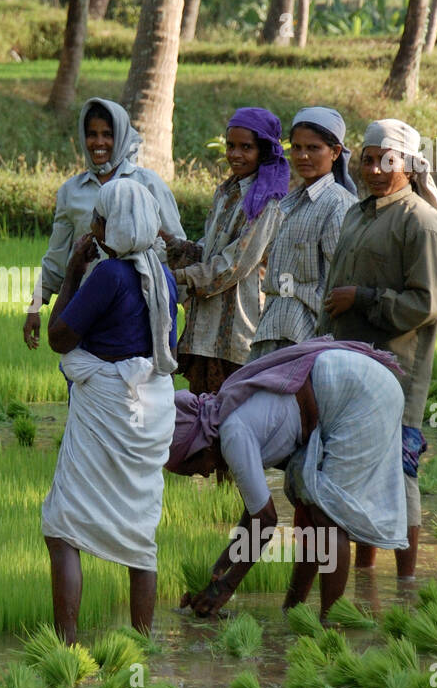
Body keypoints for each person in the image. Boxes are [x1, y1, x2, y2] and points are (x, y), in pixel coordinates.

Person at [165, 338, 408, 621]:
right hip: (346, 386)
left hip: (363, 394)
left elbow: (266, 522)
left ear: (202, 446)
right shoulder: (224, 419)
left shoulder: (232, 434)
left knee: (327, 514)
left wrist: (227, 587)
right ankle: (293, 609)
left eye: (196, 467)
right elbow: (253, 516)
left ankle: (330, 624)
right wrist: (218, 571)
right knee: (309, 507)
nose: (205, 474)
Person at [41, 179, 179, 644]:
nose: (94, 227)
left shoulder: (108, 275)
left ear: (114, 224)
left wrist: (73, 273)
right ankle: (142, 643)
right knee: (140, 537)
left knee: (62, 526)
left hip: (106, 408)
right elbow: (165, 350)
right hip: (149, 410)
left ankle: (68, 644)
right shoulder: (164, 277)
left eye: (99, 219)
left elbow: (59, 338)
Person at [316, 118, 437, 580]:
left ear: (409, 166)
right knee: (357, 464)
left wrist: (366, 299)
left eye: (385, 161)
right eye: (367, 159)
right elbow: (335, 289)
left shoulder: (421, 222)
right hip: (347, 360)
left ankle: (407, 580)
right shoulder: (358, 213)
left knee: (398, 469)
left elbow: (425, 303)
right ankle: (365, 574)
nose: (373, 169)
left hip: (396, 368)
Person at [23, 98, 184, 351]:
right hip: (85, 309)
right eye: (92, 135)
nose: (99, 143)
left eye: (107, 134)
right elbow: (56, 256)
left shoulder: (148, 184)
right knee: (85, 379)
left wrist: (185, 307)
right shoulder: (71, 191)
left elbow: (176, 248)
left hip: (138, 310)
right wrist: (34, 306)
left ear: (120, 136)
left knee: (141, 378)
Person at [169, 107, 287, 395]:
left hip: (237, 334)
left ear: (264, 151)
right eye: (231, 146)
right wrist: (176, 247)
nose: (235, 154)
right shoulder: (225, 192)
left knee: (227, 420)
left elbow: (233, 266)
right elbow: (211, 251)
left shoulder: (266, 203)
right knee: (203, 421)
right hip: (205, 329)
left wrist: (177, 277)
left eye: (246, 147)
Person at [249, 107, 358, 360]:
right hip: (274, 327)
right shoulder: (291, 202)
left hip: (310, 337)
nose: (303, 156)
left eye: (313, 148)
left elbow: (339, 278)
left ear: (335, 152)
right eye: (296, 148)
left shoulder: (338, 205)